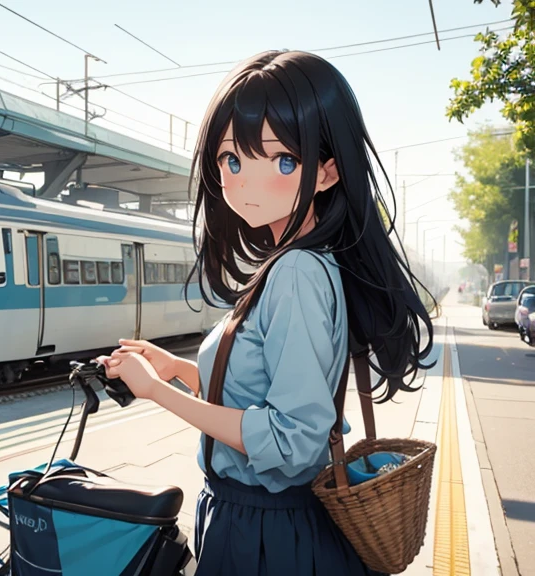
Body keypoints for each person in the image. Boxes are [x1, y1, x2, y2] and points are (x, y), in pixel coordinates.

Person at [99, 50, 435, 576]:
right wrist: (179, 369)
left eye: (281, 161)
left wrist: (155, 392)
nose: (246, 182)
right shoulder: (295, 265)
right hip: (258, 522)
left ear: (326, 173)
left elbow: (291, 441)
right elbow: (265, 392)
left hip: (265, 535)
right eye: (232, 160)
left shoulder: (296, 273)